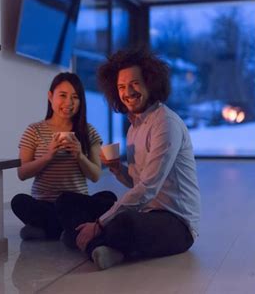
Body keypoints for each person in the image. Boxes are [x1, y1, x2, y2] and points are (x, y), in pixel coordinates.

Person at [56, 48, 201, 270]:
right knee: (66, 201)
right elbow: (137, 182)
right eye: (121, 87)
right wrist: (118, 170)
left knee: (121, 222)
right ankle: (105, 247)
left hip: (175, 224)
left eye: (134, 83)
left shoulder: (166, 123)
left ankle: (90, 241)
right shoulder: (134, 126)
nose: (127, 92)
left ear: (149, 83)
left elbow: (148, 188)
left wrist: (99, 223)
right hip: (145, 211)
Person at [11, 72, 117, 241]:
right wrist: (48, 156)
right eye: (63, 95)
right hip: (45, 204)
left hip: (74, 202)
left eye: (75, 97)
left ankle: (47, 231)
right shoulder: (34, 130)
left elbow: (96, 175)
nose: (69, 102)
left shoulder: (88, 132)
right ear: (50, 96)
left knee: (108, 198)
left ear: (80, 101)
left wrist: (79, 155)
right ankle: (69, 230)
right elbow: (22, 173)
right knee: (19, 201)